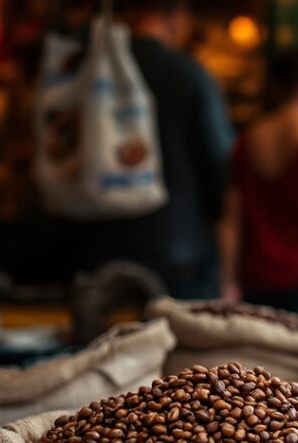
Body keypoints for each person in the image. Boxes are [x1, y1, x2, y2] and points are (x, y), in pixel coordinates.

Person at [82, 0, 233, 299]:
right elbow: (220, 165)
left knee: (104, 343)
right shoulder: (190, 75)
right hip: (179, 246)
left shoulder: (92, 68)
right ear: (177, 16)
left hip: (96, 242)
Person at [218, 49, 298, 325]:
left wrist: (228, 281)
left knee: (259, 366)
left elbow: (232, 222)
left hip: (258, 277)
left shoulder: (245, 142)